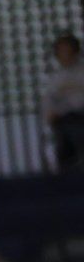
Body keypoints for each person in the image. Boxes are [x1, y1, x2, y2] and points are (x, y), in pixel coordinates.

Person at [46, 34, 84, 172]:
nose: (64, 55)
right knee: (65, 158)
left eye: (67, 51)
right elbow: (50, 99)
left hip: (79, 119)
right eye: (61, 51)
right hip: (63, 122)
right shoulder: (56, 76)